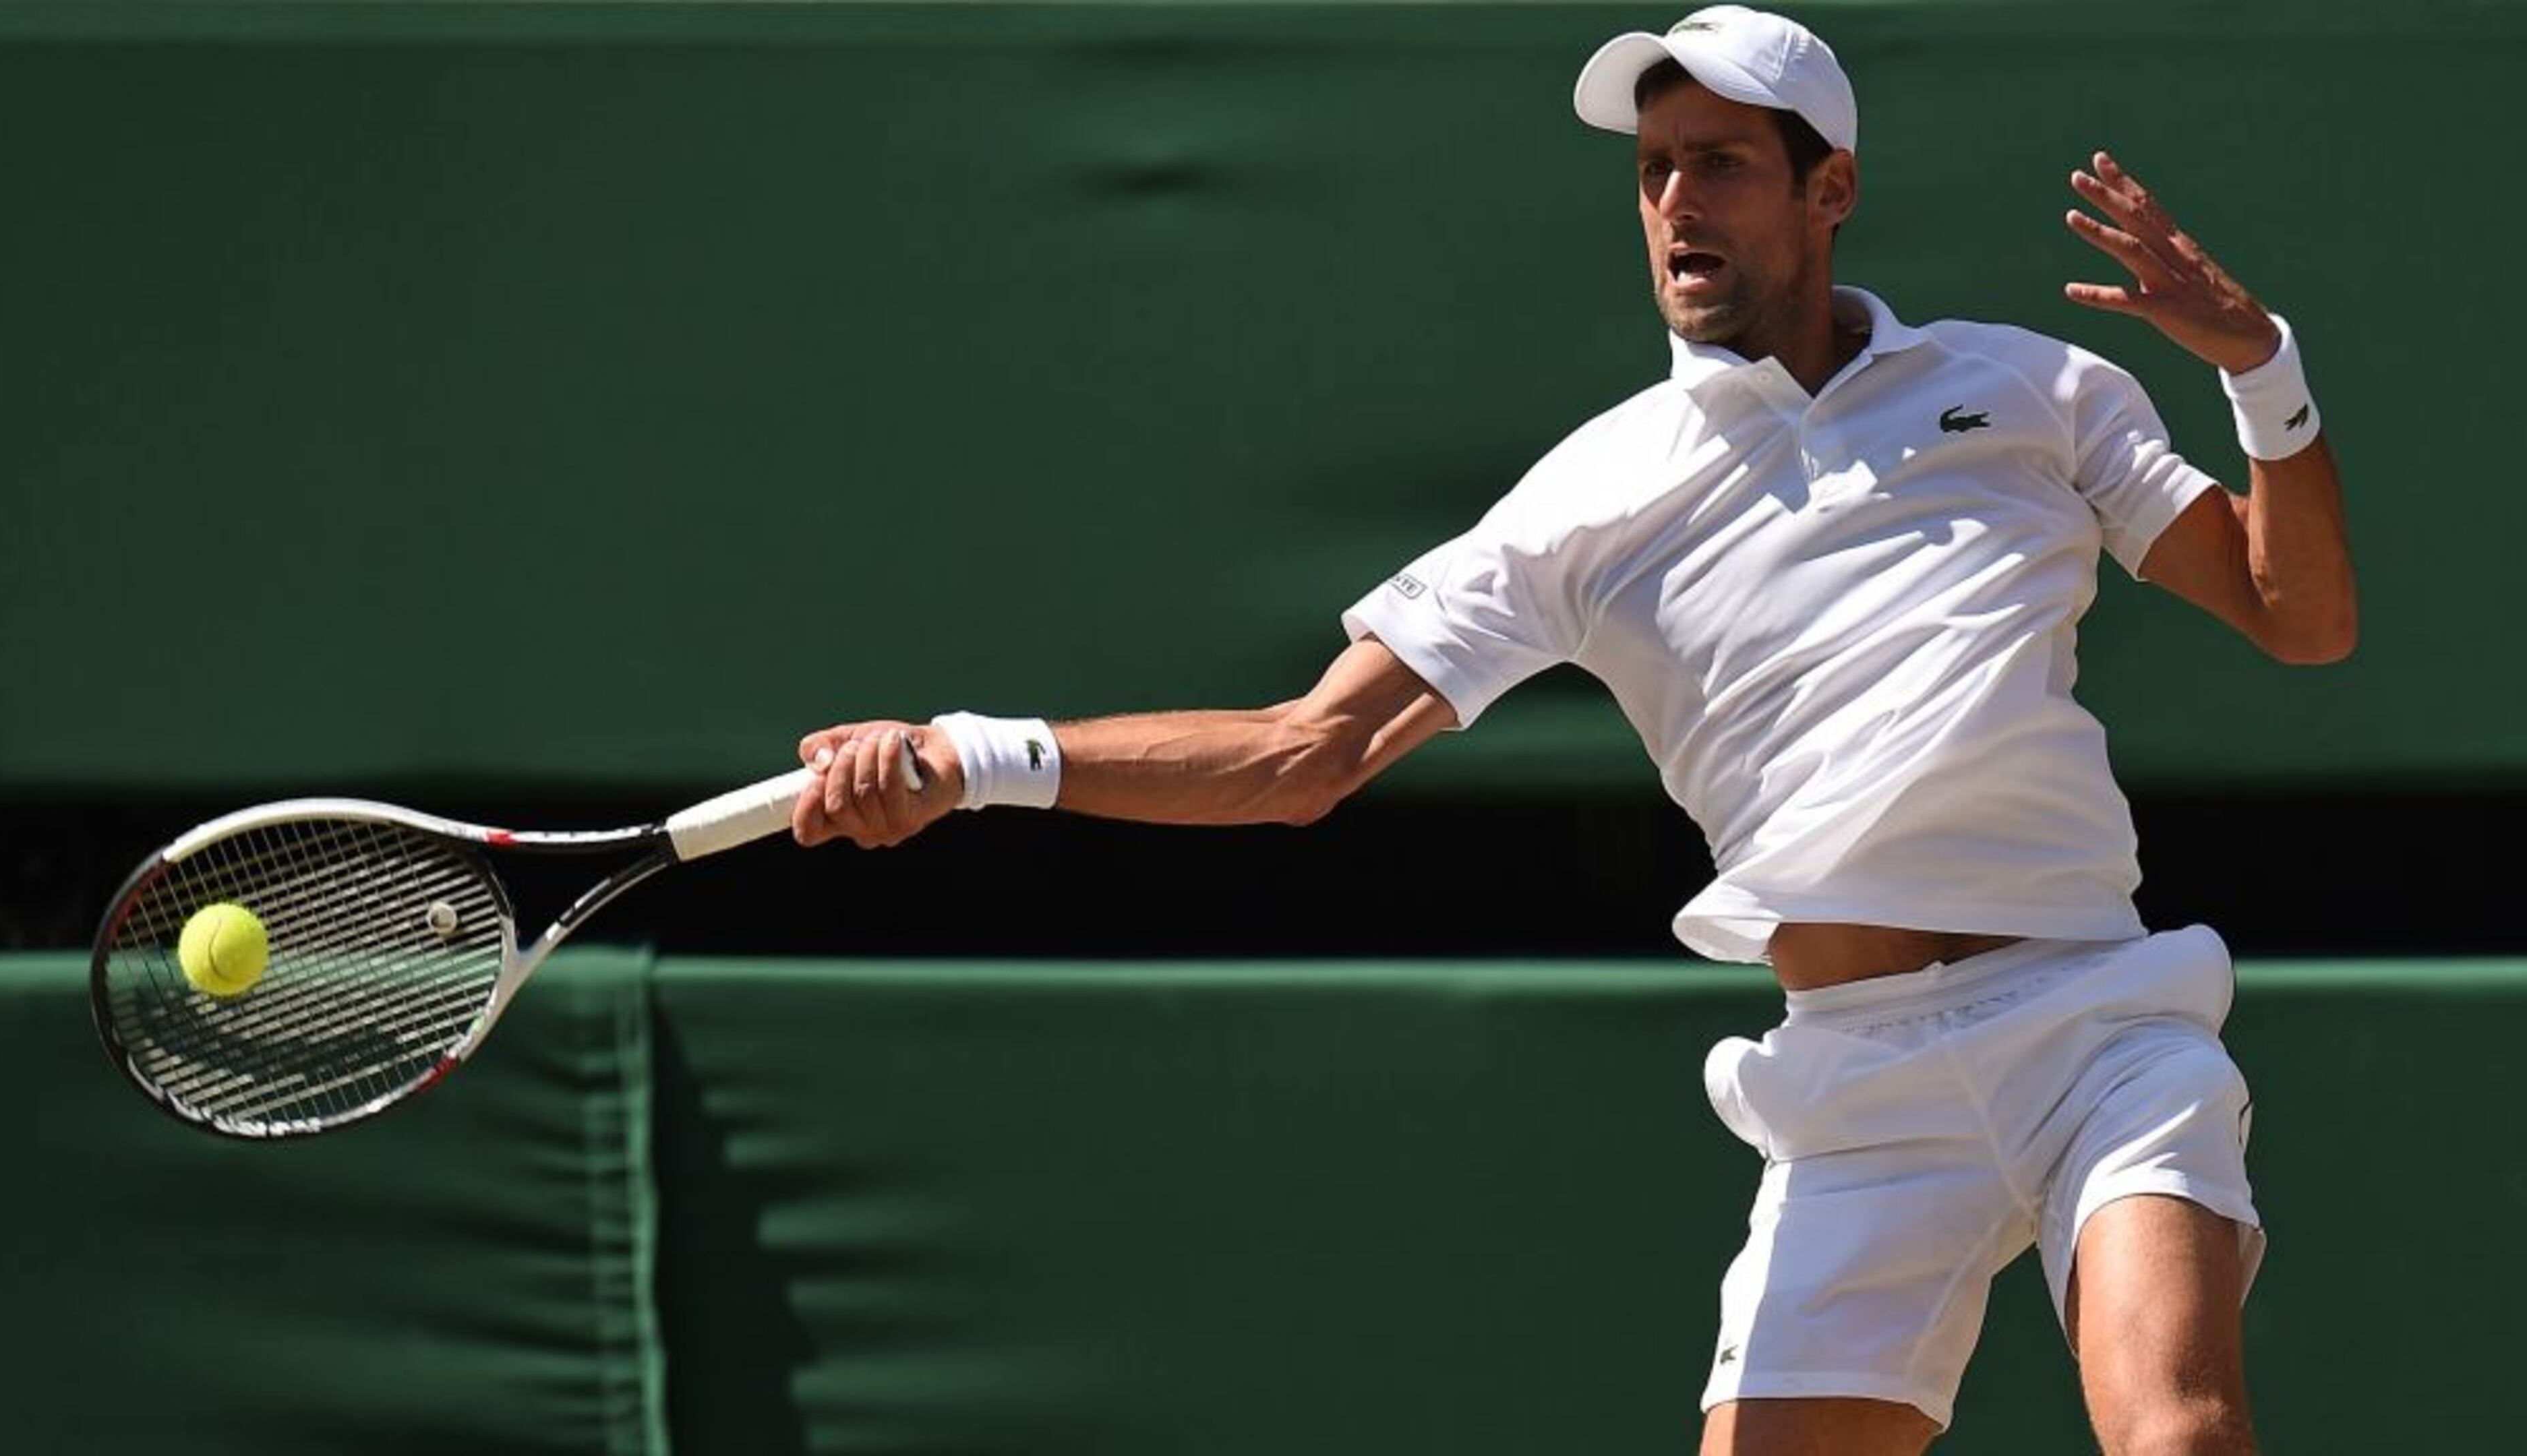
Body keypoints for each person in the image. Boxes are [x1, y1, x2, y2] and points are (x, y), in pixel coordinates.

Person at [785, 6, 2355, 1451]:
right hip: (1855, 1087)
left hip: (2092, 1019)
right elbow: (1298, 756)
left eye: (1724, 165)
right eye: (1656, 170)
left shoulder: (2034, 393)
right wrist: (969, 759)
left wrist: (2262, 372)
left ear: (1831, 190)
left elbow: (2304, 620)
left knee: (2180, 1438)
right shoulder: (1583, 500)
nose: (1678, 202)